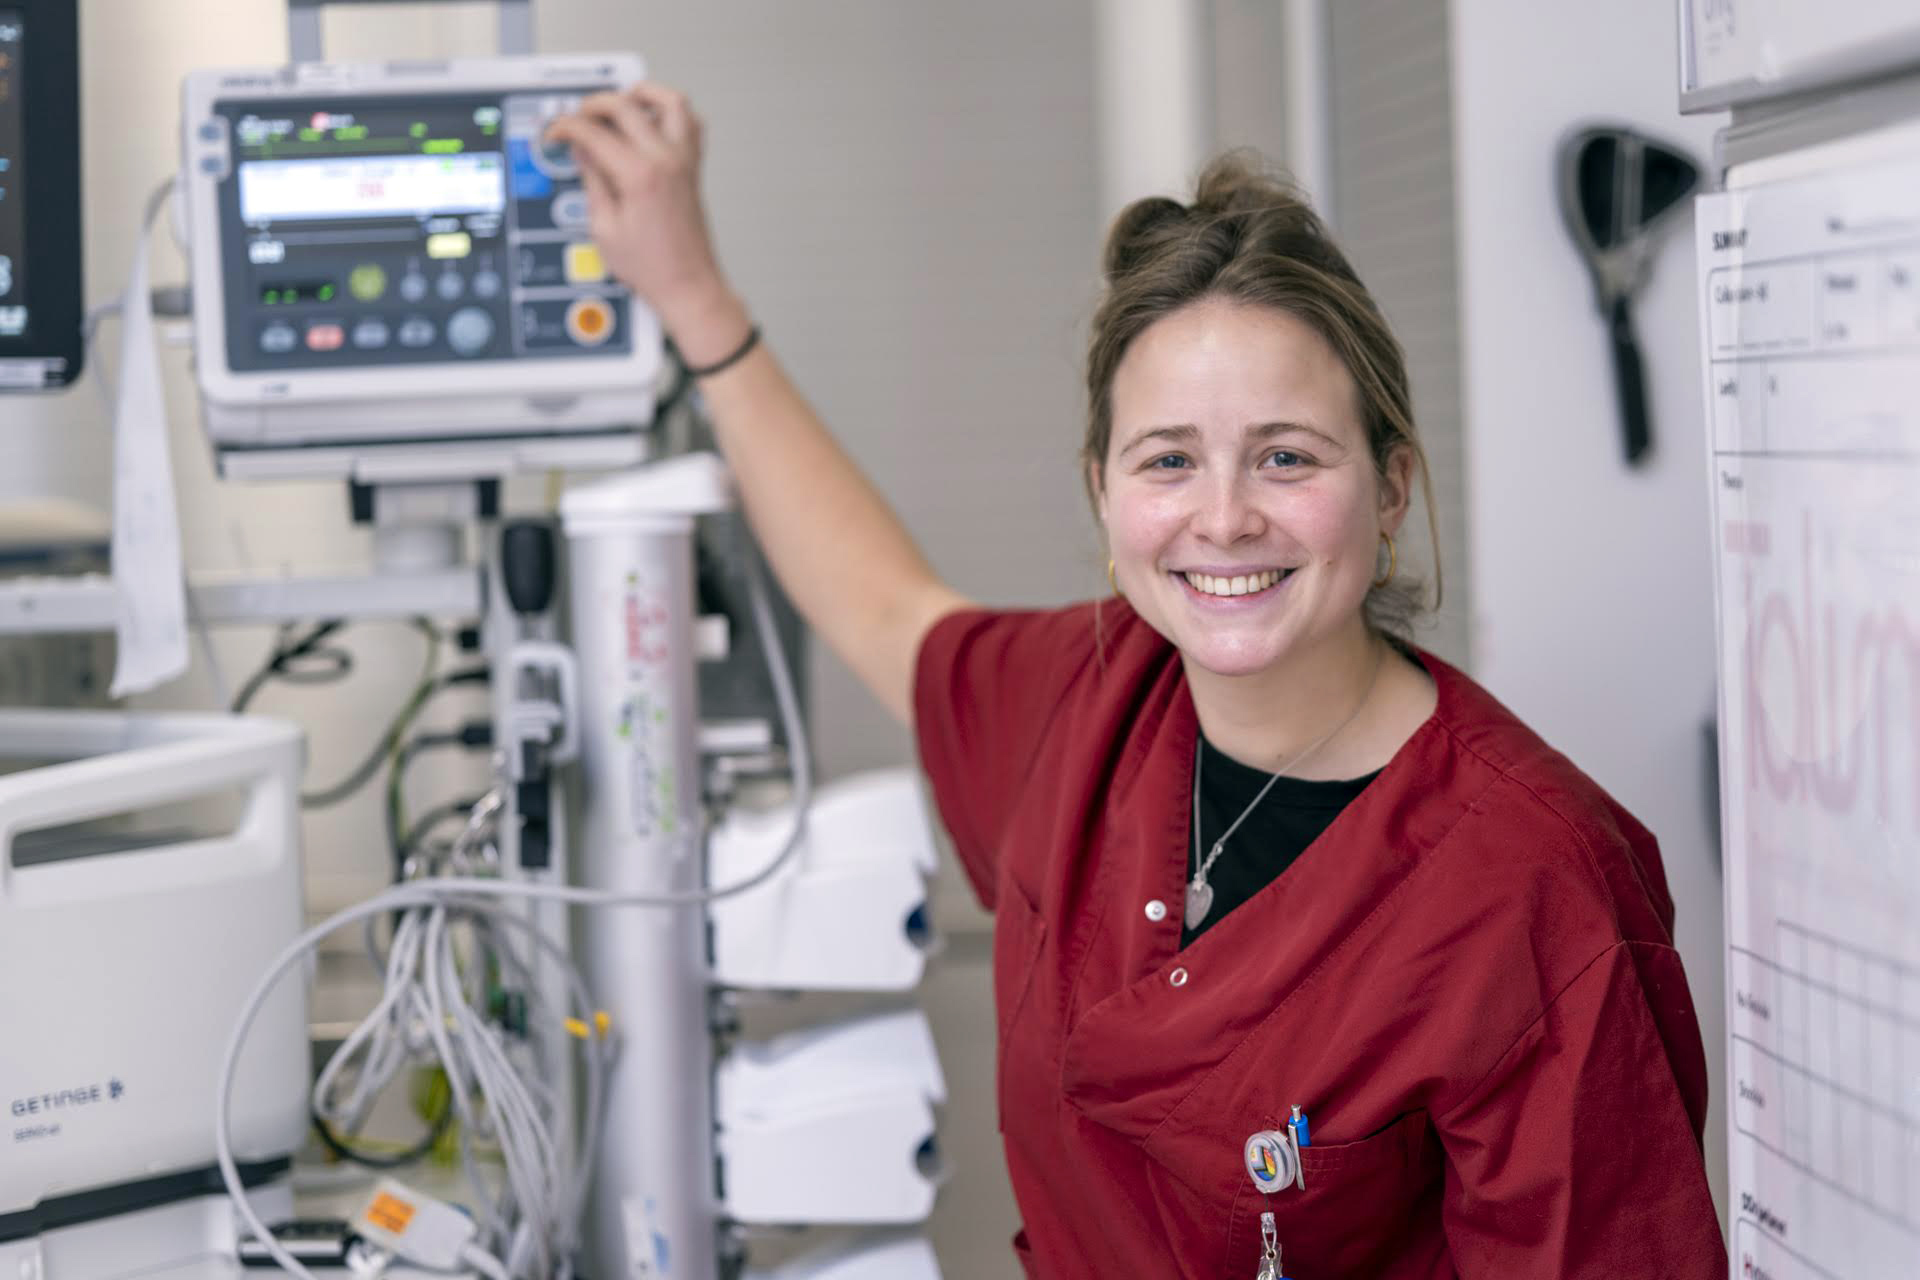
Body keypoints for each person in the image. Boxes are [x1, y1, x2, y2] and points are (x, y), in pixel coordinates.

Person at [546, 84, 1727, 1279]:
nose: (1225, 516)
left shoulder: (1536, 882)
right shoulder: (1087, 699)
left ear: (1391, 486)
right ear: (1103, 495)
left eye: (1286, 455)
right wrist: (693, 295)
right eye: (1169, 460)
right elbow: (885, 607)